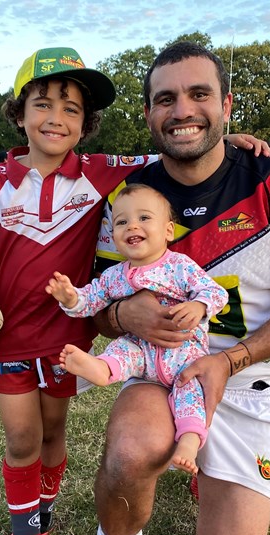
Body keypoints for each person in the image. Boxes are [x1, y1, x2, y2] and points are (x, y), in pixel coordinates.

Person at [0, 45, 268, 535]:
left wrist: (236, 139)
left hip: (69, 344)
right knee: (22, 443)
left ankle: (34, 519)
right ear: (19, 112)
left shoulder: (101, 172)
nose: (56, 118)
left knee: (53, 439)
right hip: (11, 344)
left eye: (71, 109)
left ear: (85, 123)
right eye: (42, 103)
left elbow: (182, 144)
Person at [58, 42, 270, 535]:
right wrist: (126, 318)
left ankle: (233, 445)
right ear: (151, 114)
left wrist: (230, 360)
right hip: (159, 369)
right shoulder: (130, 198)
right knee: (130, 452)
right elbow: (101, 307)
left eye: (199, 94)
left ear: (227, 105)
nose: (182, 110)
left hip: (241, 373)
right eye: (165, 99)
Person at [46, 184, 228, 474]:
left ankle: (189, 444)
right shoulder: (113, 276)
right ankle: (101, 370)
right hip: (140, 351)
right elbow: (91, 300)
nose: (132, 225)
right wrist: (71, 298)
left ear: (168, 231)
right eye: (121, 222)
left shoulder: (179, 266)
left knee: (191, 393)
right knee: (121, 350)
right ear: (114, 236)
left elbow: (215, 292)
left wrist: (199, 306)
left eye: (144, 218)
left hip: (184, 354)